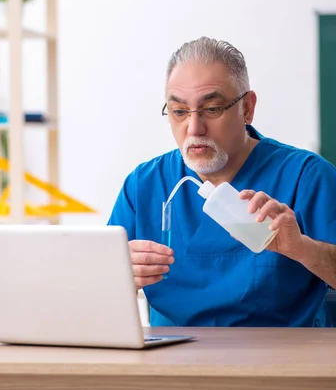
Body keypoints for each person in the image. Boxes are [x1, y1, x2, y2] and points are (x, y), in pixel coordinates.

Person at [108, 36, 336, 327]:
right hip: (171, 364)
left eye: (212, 109)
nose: (194, 127)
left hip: (279, 364)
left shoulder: (306, 177)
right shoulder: (144, 186)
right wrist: (115, 278)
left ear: (247, 109)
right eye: (179, 111)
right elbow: (93, 296)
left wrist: (302, 248)